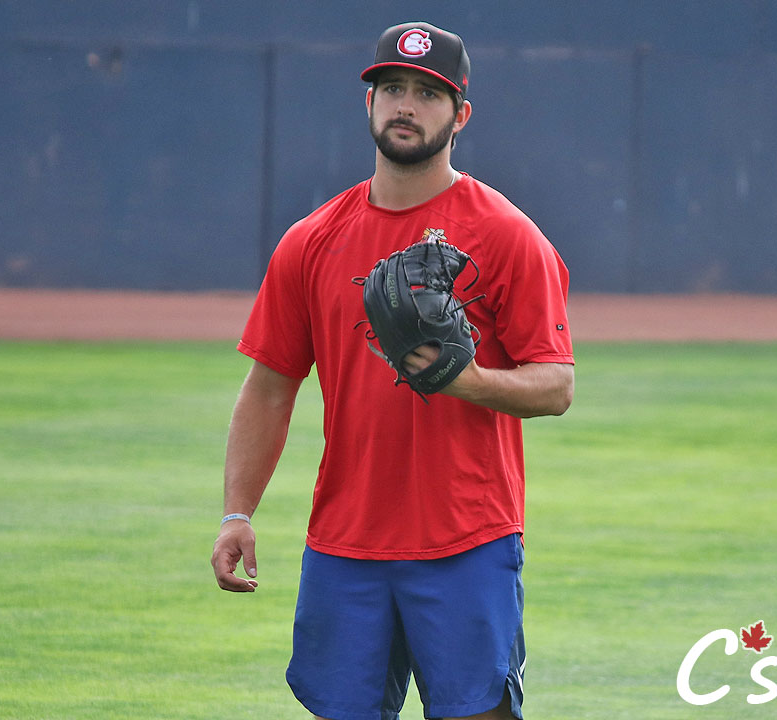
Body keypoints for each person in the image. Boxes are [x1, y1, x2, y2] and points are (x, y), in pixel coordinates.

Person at [211, 20, 575, 720]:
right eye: (392, 89)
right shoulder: (312, 241)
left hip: (466, 537)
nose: (406, 105)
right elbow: (270, 385)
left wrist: (464, 379)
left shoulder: (506, 235)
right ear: (369, 103)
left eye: (428, 94)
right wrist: (237, 512)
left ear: (460, 114)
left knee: (479, 713)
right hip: (345, 543)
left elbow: (555, 385)